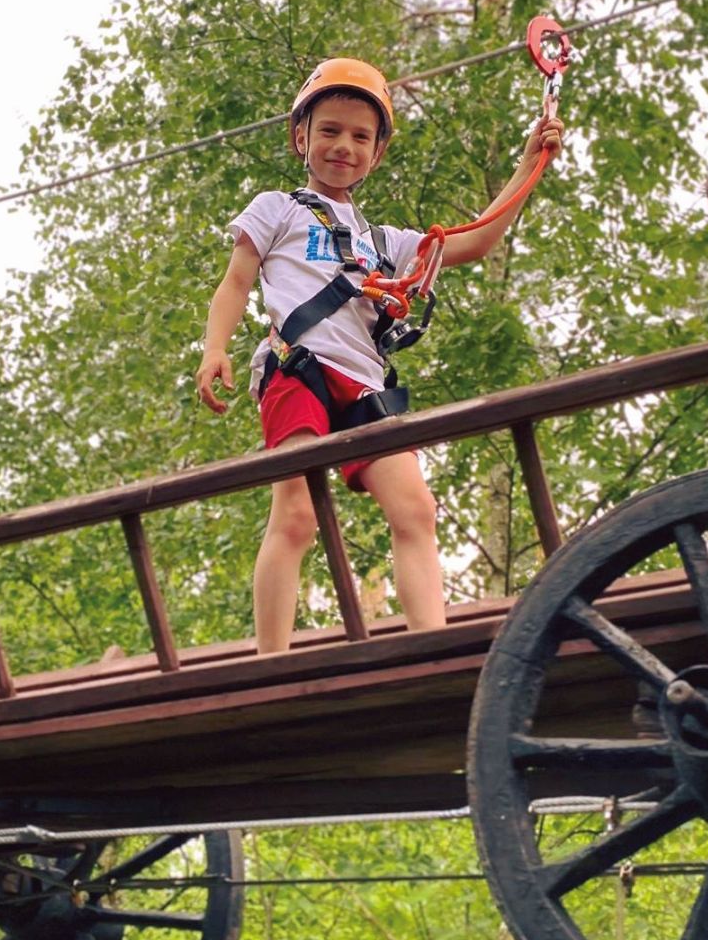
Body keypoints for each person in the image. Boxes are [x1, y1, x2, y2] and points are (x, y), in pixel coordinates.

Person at [195, 57, 563, 653]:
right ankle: (271, 662)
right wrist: (216, 348)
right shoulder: (278, 209)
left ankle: (432, 646)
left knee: (416, 508)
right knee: (296, 514)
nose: (344, 146)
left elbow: (475, 238)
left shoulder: (383, 243)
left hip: (364, 384)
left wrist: (529, 164)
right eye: (330, 131)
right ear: (301, 138)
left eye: (360, 136)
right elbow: (236, 281)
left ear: (378, 152)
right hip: (300, 368)